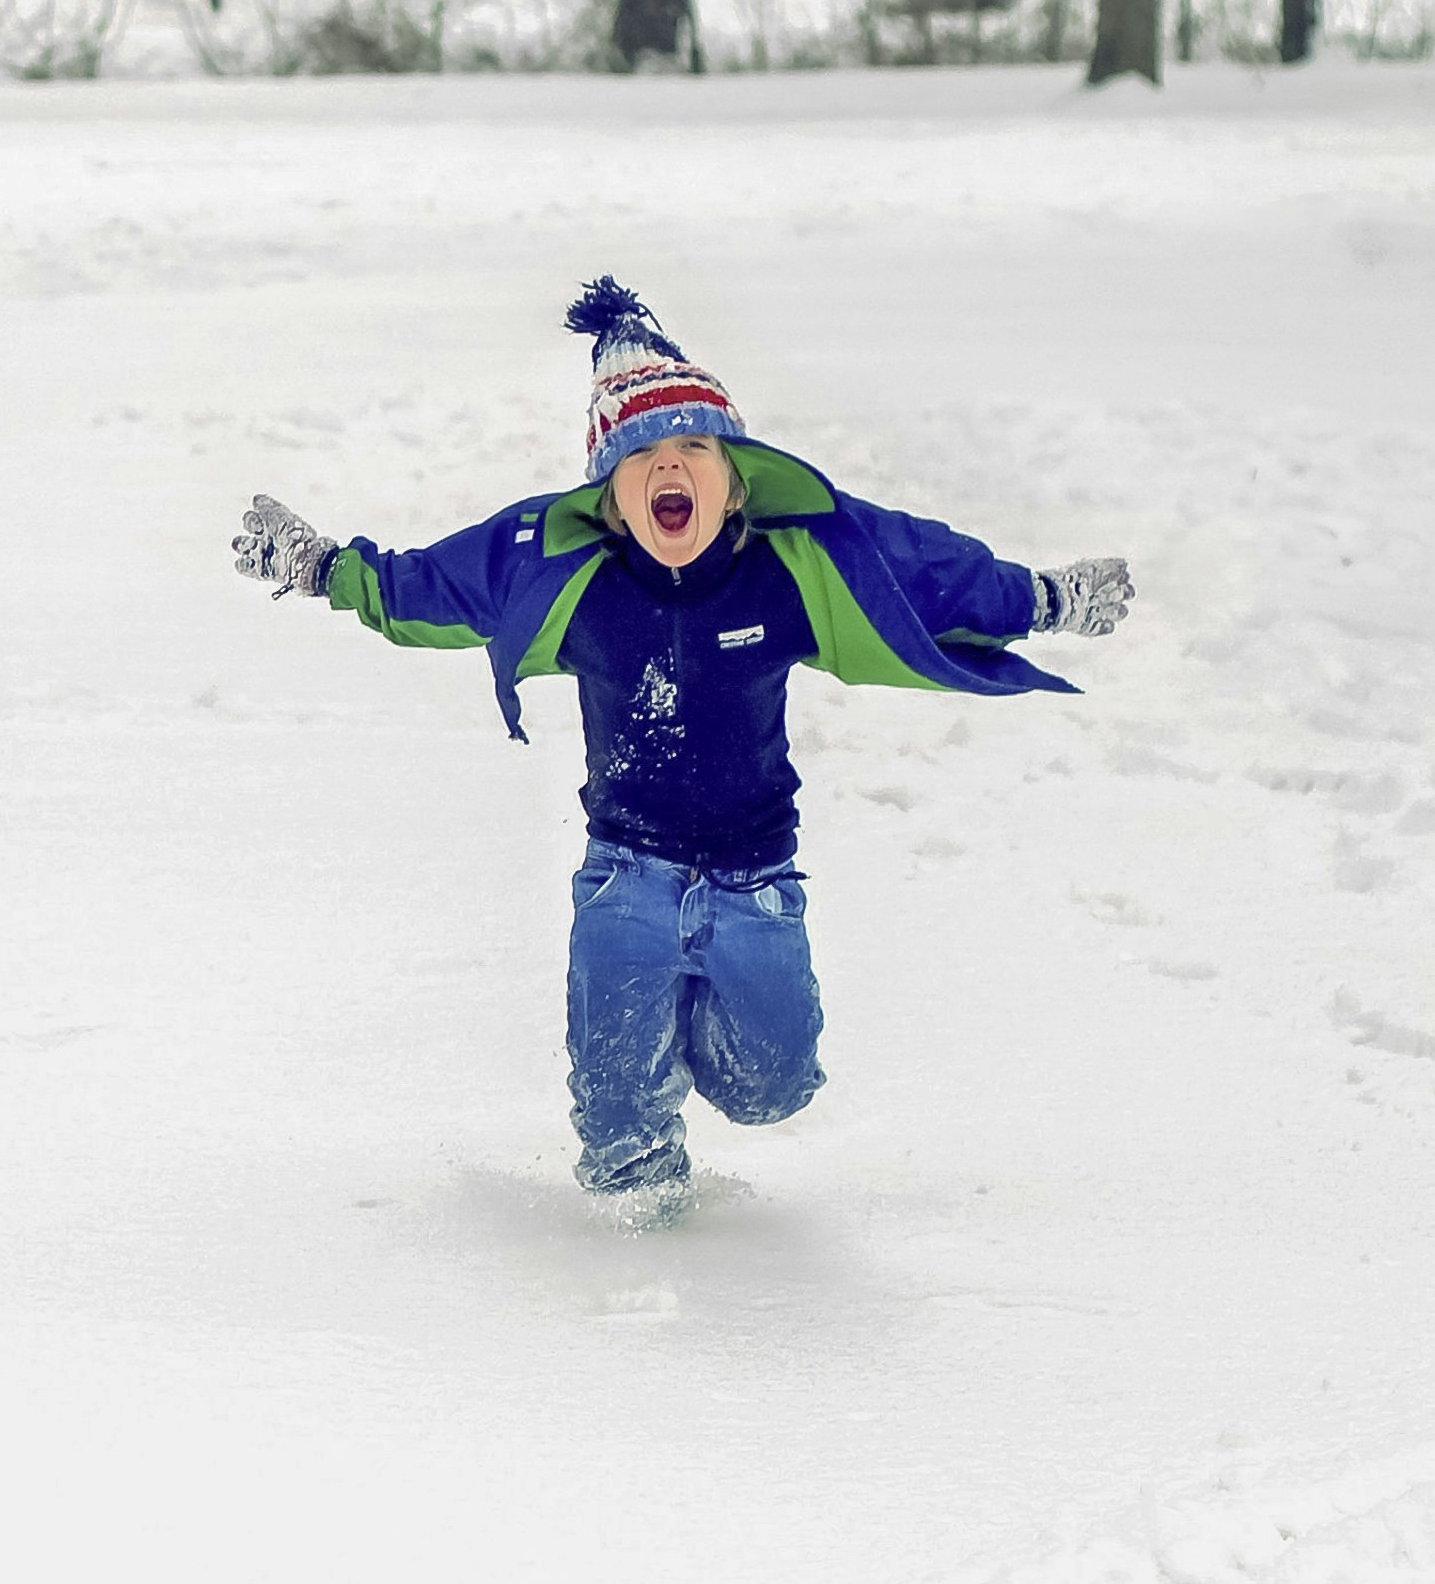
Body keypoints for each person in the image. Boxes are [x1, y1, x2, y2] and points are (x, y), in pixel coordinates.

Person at [231, 280, 1133, 1223]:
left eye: (694, 448)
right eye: (644, 456)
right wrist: (317, 567)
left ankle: (694, 1025)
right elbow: (430, 587)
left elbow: (923, 571)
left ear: (734, 479)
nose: (672, 467)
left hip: (755, 882)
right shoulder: (565, 574)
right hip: (624, 877)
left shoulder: (787, 573)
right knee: (623, 1141)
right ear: (612, 496)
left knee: (770, 1091)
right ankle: (642, 1279)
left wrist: (1043, 599)